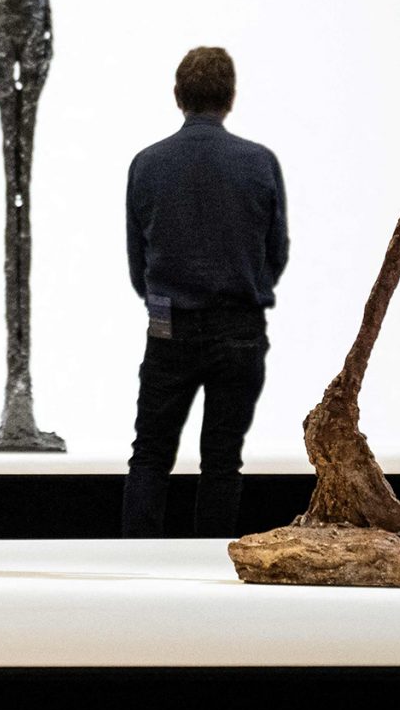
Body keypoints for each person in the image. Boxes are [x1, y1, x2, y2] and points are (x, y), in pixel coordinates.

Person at [121, 47, 288, 537]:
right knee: (221, 461)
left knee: (150, 455)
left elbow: (138, 261)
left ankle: (137, 565)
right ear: (230, 98)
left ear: (178, 96)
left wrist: (160, 299)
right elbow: (274, 252)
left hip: (168, 324)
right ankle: (210, 565)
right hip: (238, 326)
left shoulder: (147, 164)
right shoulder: (258, 162)